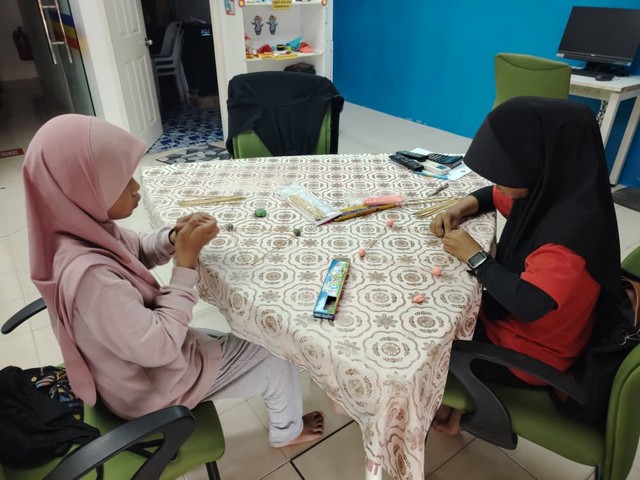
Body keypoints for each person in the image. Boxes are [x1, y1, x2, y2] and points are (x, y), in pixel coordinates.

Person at [22, 114, 324, 447]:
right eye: (122, 181)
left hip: (126, 367)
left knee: (244, 334)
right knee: (276, 353)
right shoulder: (92, 279)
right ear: (85, 191)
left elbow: (133, 248)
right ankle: (287, 432)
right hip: (148, 389)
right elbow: (161, 346)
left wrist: (172, 237)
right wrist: (185, 264)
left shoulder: (74, 230)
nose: (135, 187)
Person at [428, 97, 622, 434]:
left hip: (531, 354)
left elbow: (529, 304)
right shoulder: (551, 190)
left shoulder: (569, 238)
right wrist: (458, 209)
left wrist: (475, 256)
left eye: (506, 175)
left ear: (540, 162)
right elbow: (491, 194)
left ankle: (450, 407)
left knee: (424, 344)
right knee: (442, 305)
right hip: (513, 323)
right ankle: (455, 403)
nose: (499, 182)